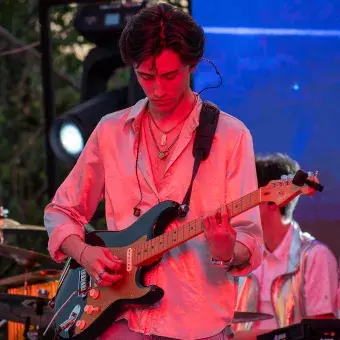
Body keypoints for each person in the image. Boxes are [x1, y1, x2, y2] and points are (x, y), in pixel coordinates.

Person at [44, 3, 263, 340]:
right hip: (118, 323)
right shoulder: (110, 131)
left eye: (170, 75)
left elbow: (249, 237)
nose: (158, 89)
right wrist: (86, 254)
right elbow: (62, 212)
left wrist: (226, 248)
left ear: (191, 66)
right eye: (146, 76)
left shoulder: (231, 137)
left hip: (196, 326)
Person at [234, 153, 338, 334]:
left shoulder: (315, 256)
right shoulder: (242, 253)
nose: (241, 206)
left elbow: (322, 332)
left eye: (248, 198)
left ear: (273, 201)